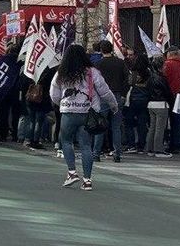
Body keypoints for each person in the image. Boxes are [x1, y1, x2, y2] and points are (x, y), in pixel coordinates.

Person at [49, 44, 118, 190]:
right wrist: (113, 104)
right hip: (87, 113)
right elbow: (105, 91)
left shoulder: (61, 73)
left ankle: (72, 172)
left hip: (68, 112)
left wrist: (61, 103)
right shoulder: (92, 72)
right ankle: (87, 180)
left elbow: (54, 94)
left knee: (66, 141)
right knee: (86, 145)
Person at [92, 40, 128, 162]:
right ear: (112, 49)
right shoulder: (120, 63)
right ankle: (117, 153)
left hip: (102, 97)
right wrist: (123, 94)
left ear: (101, 50)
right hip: (117, 95)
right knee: (116, 127)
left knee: (100, 125)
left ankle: (96, 153)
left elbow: (93, 82)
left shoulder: (98, 64)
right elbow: (126, 79)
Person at [0, 42, 24, 143]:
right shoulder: (20, 62)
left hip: (2, 90)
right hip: (16, 91)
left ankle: (3, 135)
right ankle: (15, 134)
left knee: (3, 114)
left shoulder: (1, 60)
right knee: (15, 114)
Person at [162, 49, 180, 154]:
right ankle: (179, 143)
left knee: (166, 121)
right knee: (178, 121)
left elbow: (165, 79)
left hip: (169, 95)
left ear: (170, 54)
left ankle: (169, 143)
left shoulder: (167, 64)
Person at [144, 57, 173, 157]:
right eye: (164, 65)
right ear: (160, 67)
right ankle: (158, 149)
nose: (165, 67)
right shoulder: (162, 78)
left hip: (151, 104)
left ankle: (149, 148)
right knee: (160, 128)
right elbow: (167, 92)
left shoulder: (150, 77)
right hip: (161, 104)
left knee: (152, 127)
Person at [124, 55, 152, 154]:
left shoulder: (133, 73)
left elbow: (129, 83)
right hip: (145, 100)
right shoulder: (149, 73)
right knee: (142, 123)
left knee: (129, 123)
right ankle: (141, 145)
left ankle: (131, 144)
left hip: (133, 99)